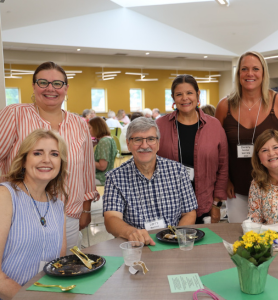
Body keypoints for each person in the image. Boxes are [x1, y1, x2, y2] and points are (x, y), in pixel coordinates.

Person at [0, 61, 99, 253]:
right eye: (43, 82)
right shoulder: (14, 115)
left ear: (66, 88)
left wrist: (86, 210)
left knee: (63, 271)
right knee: (23, 272)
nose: (50, 88)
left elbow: (86, 171)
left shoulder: (79, 124)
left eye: (57, 83)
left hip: (69, 214)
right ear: (34, 86)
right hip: (21, 214)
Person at [215, 51, 278, 223]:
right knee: (241, 238)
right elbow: (218, 150)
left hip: (274, 186)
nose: (250, 74)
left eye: (255, 69)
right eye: (244, 69)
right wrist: (226, 180)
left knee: (275, 240)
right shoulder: (224, 106)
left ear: (263, 73)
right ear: (238, 74)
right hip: (237, 188)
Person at [0, 129, 68, 300]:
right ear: (23, 160)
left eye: (54, 154)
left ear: (61, 163)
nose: (46, 160)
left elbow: (58, 266)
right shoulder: (4, 196)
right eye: (37, 153)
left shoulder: (58, 206)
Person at [103, 117, 198, 245]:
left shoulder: (178, 171)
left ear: (158, 143)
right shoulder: (115, 178)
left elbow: (189, 213)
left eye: (150, 139)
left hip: (172, 244)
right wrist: (132, 233)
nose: (144, 145)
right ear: (128, 144)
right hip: (136, 245)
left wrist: (176, 238)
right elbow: (111, 219)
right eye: (137, 140)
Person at [157, 75, 228, 223]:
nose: (185, 98)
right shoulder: (160, 126)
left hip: (205, 206)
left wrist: (217, 205)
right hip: (167, 207)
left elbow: (223, 167)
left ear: (197, 94)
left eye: (189, 93)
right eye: (179, 94)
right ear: (173, 98)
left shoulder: (214, 126)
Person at [88, 117, 117, 185]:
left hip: (101, 178)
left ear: (96, 128)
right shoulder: (110, 139)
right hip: (107, 176)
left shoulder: (103, 142)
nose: (88, 130)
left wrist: (87, 160)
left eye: (90, 128)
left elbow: (102, 166)